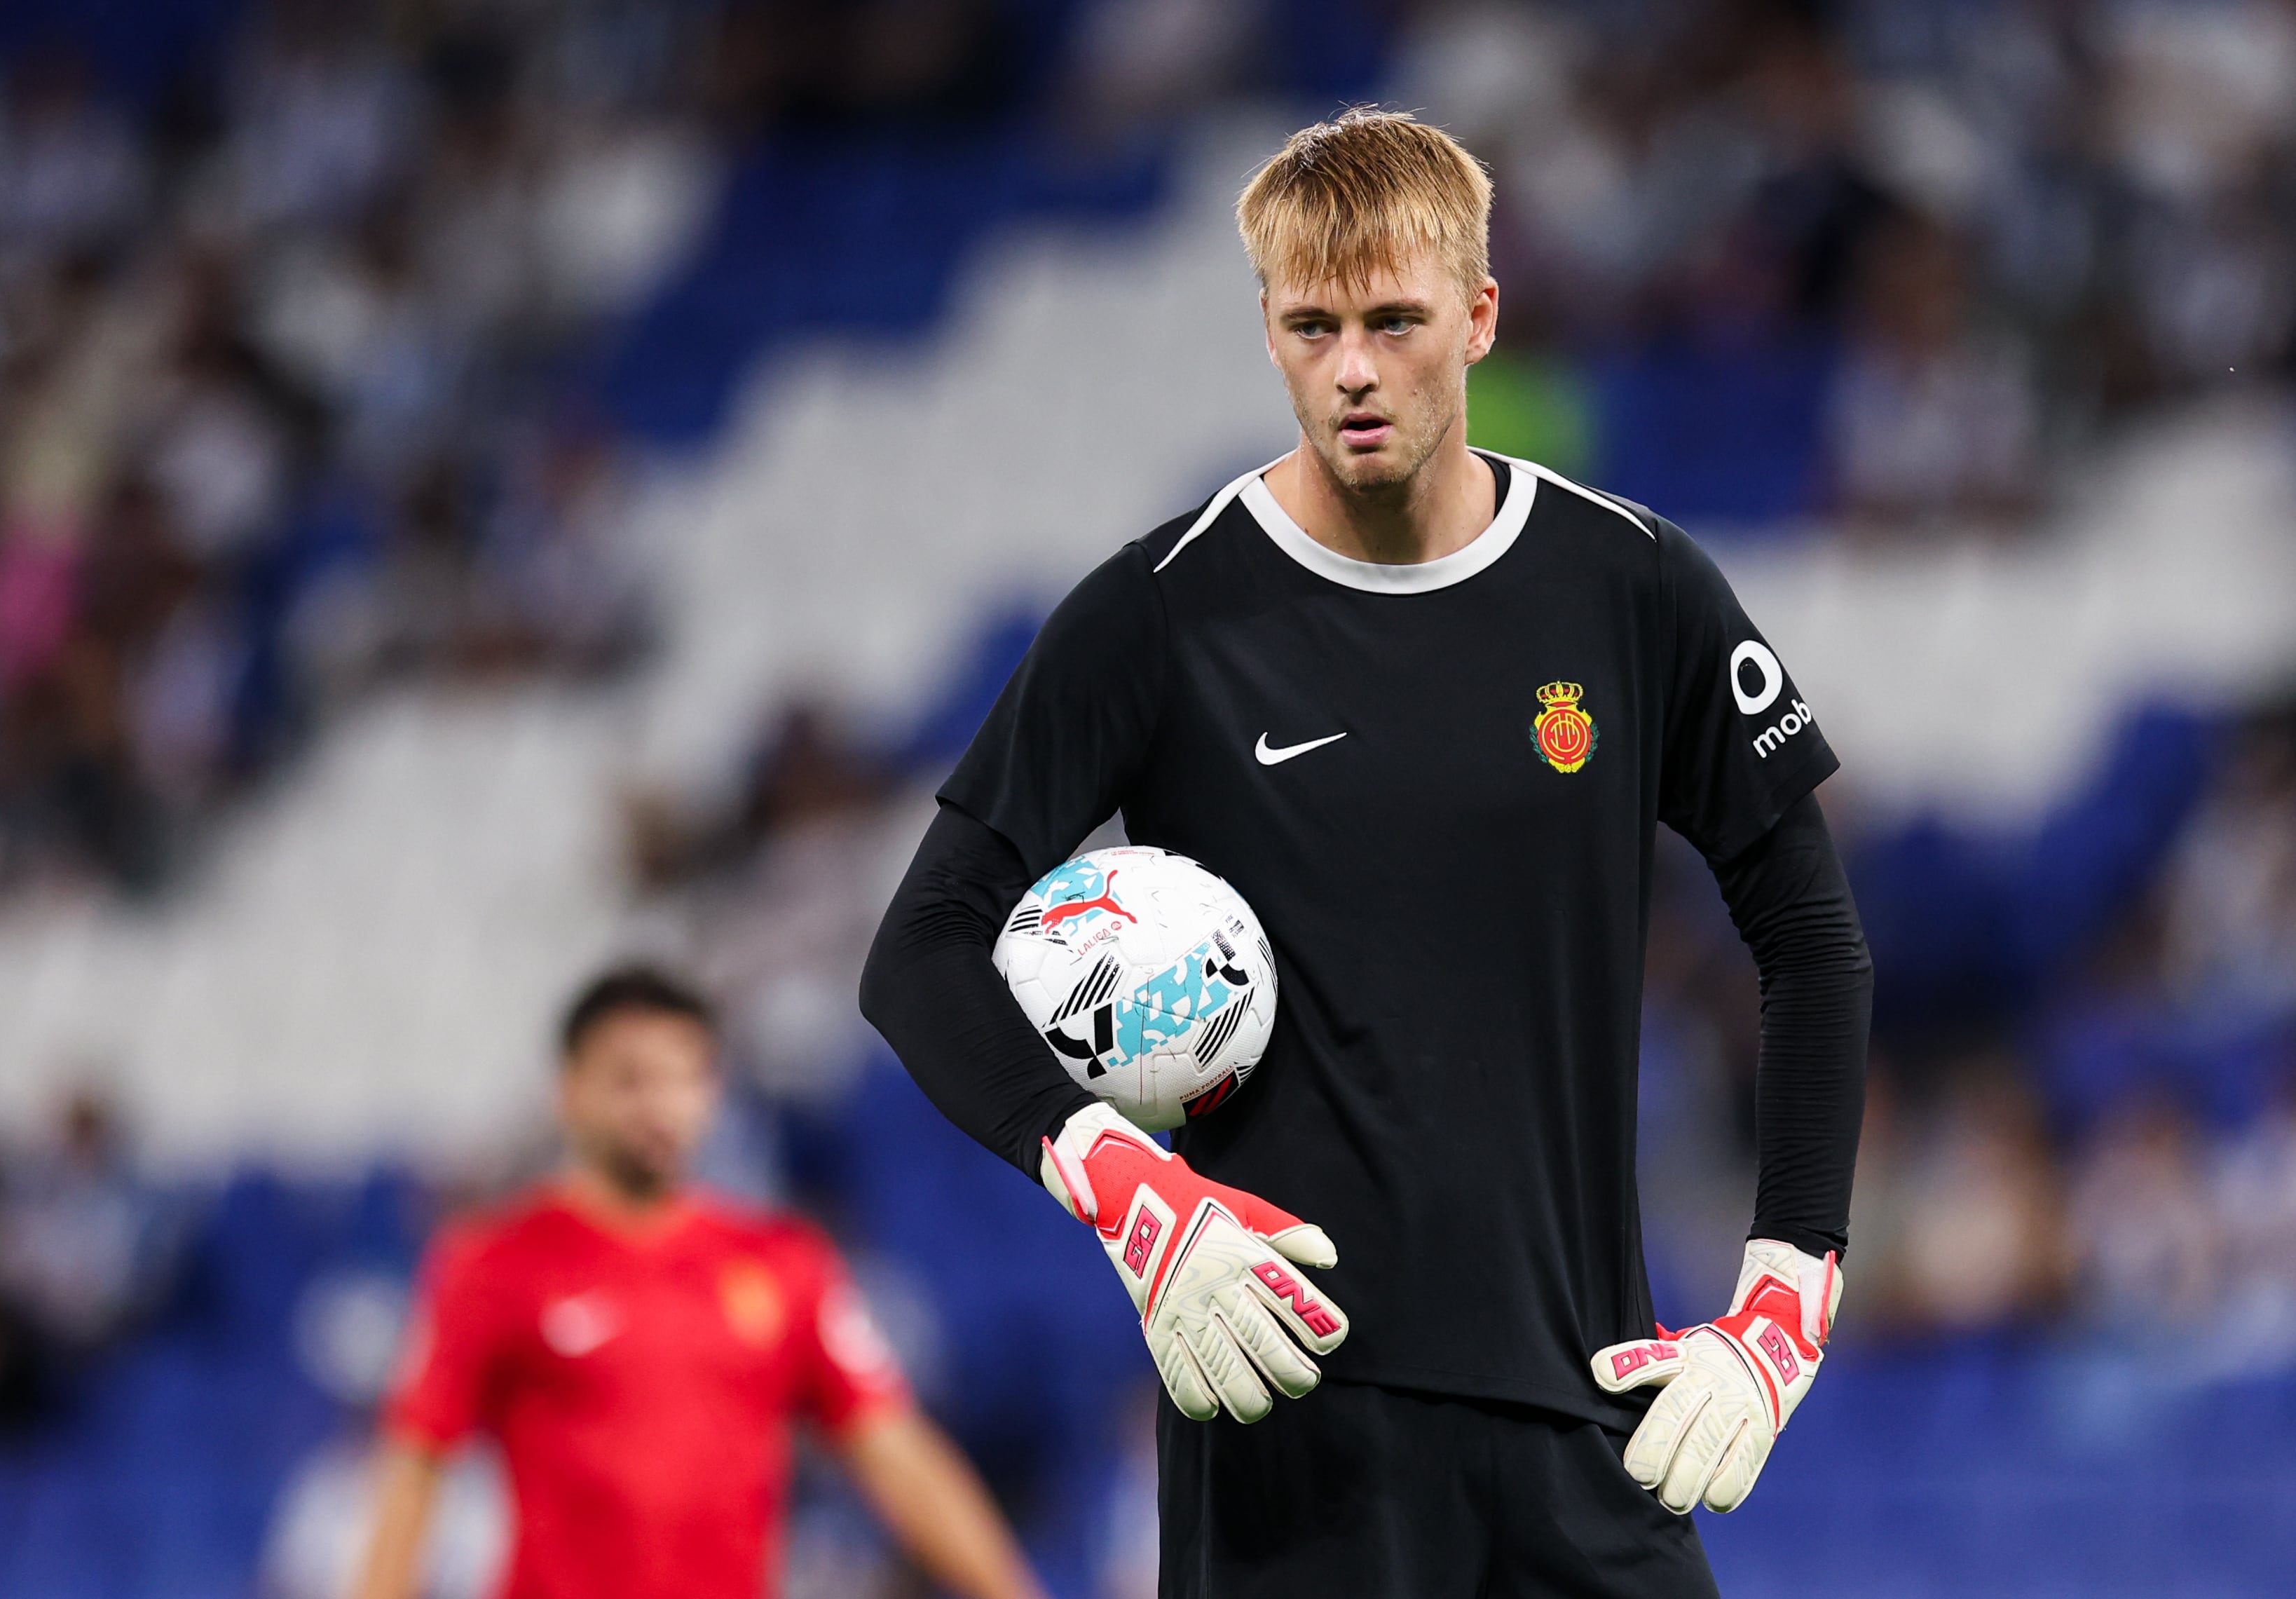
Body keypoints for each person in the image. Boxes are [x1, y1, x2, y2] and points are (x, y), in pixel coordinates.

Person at [861, 109, 1872, 1598]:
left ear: (1477, 318)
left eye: (1395, 321)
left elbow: (1810, 935)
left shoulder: (1635, 589)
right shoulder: (1160, 613)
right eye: (1310, 323)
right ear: (1264, 328)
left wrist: (1784, 1294)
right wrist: (1128, 1186)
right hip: (1287, 1436)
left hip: (1590, 1418)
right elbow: (921, 950)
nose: (1351, 367)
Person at [351, 965, 1046, 1599]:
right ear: (567, 1092)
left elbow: (895, 1449)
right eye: (631, 1079)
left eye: (688, 1078)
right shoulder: (492, 1263)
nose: (663, 1105)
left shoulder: (784, 1262)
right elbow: (415, 1467)